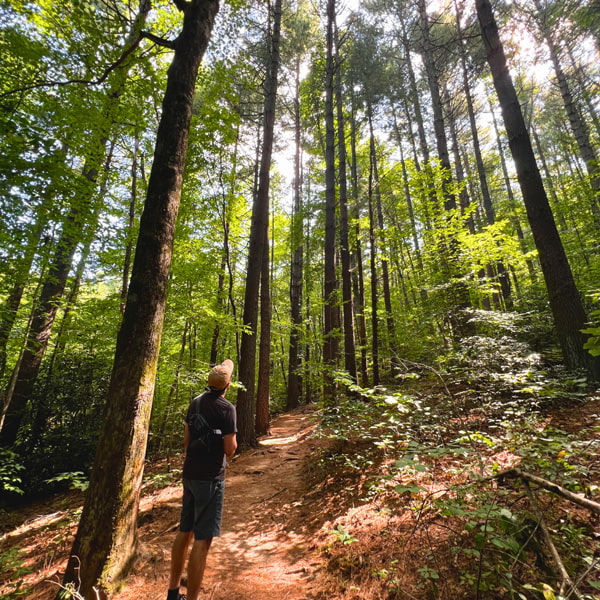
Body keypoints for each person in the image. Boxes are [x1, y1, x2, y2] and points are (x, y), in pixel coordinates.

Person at [166, 359, 237, 600]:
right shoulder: (227, 408)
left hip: (190, 474)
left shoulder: (195, 403)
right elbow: (230, 448)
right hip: (211, 478)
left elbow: (186, 442)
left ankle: (173, 593)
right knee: (202, 541)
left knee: (184, 531)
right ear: (228, 384)